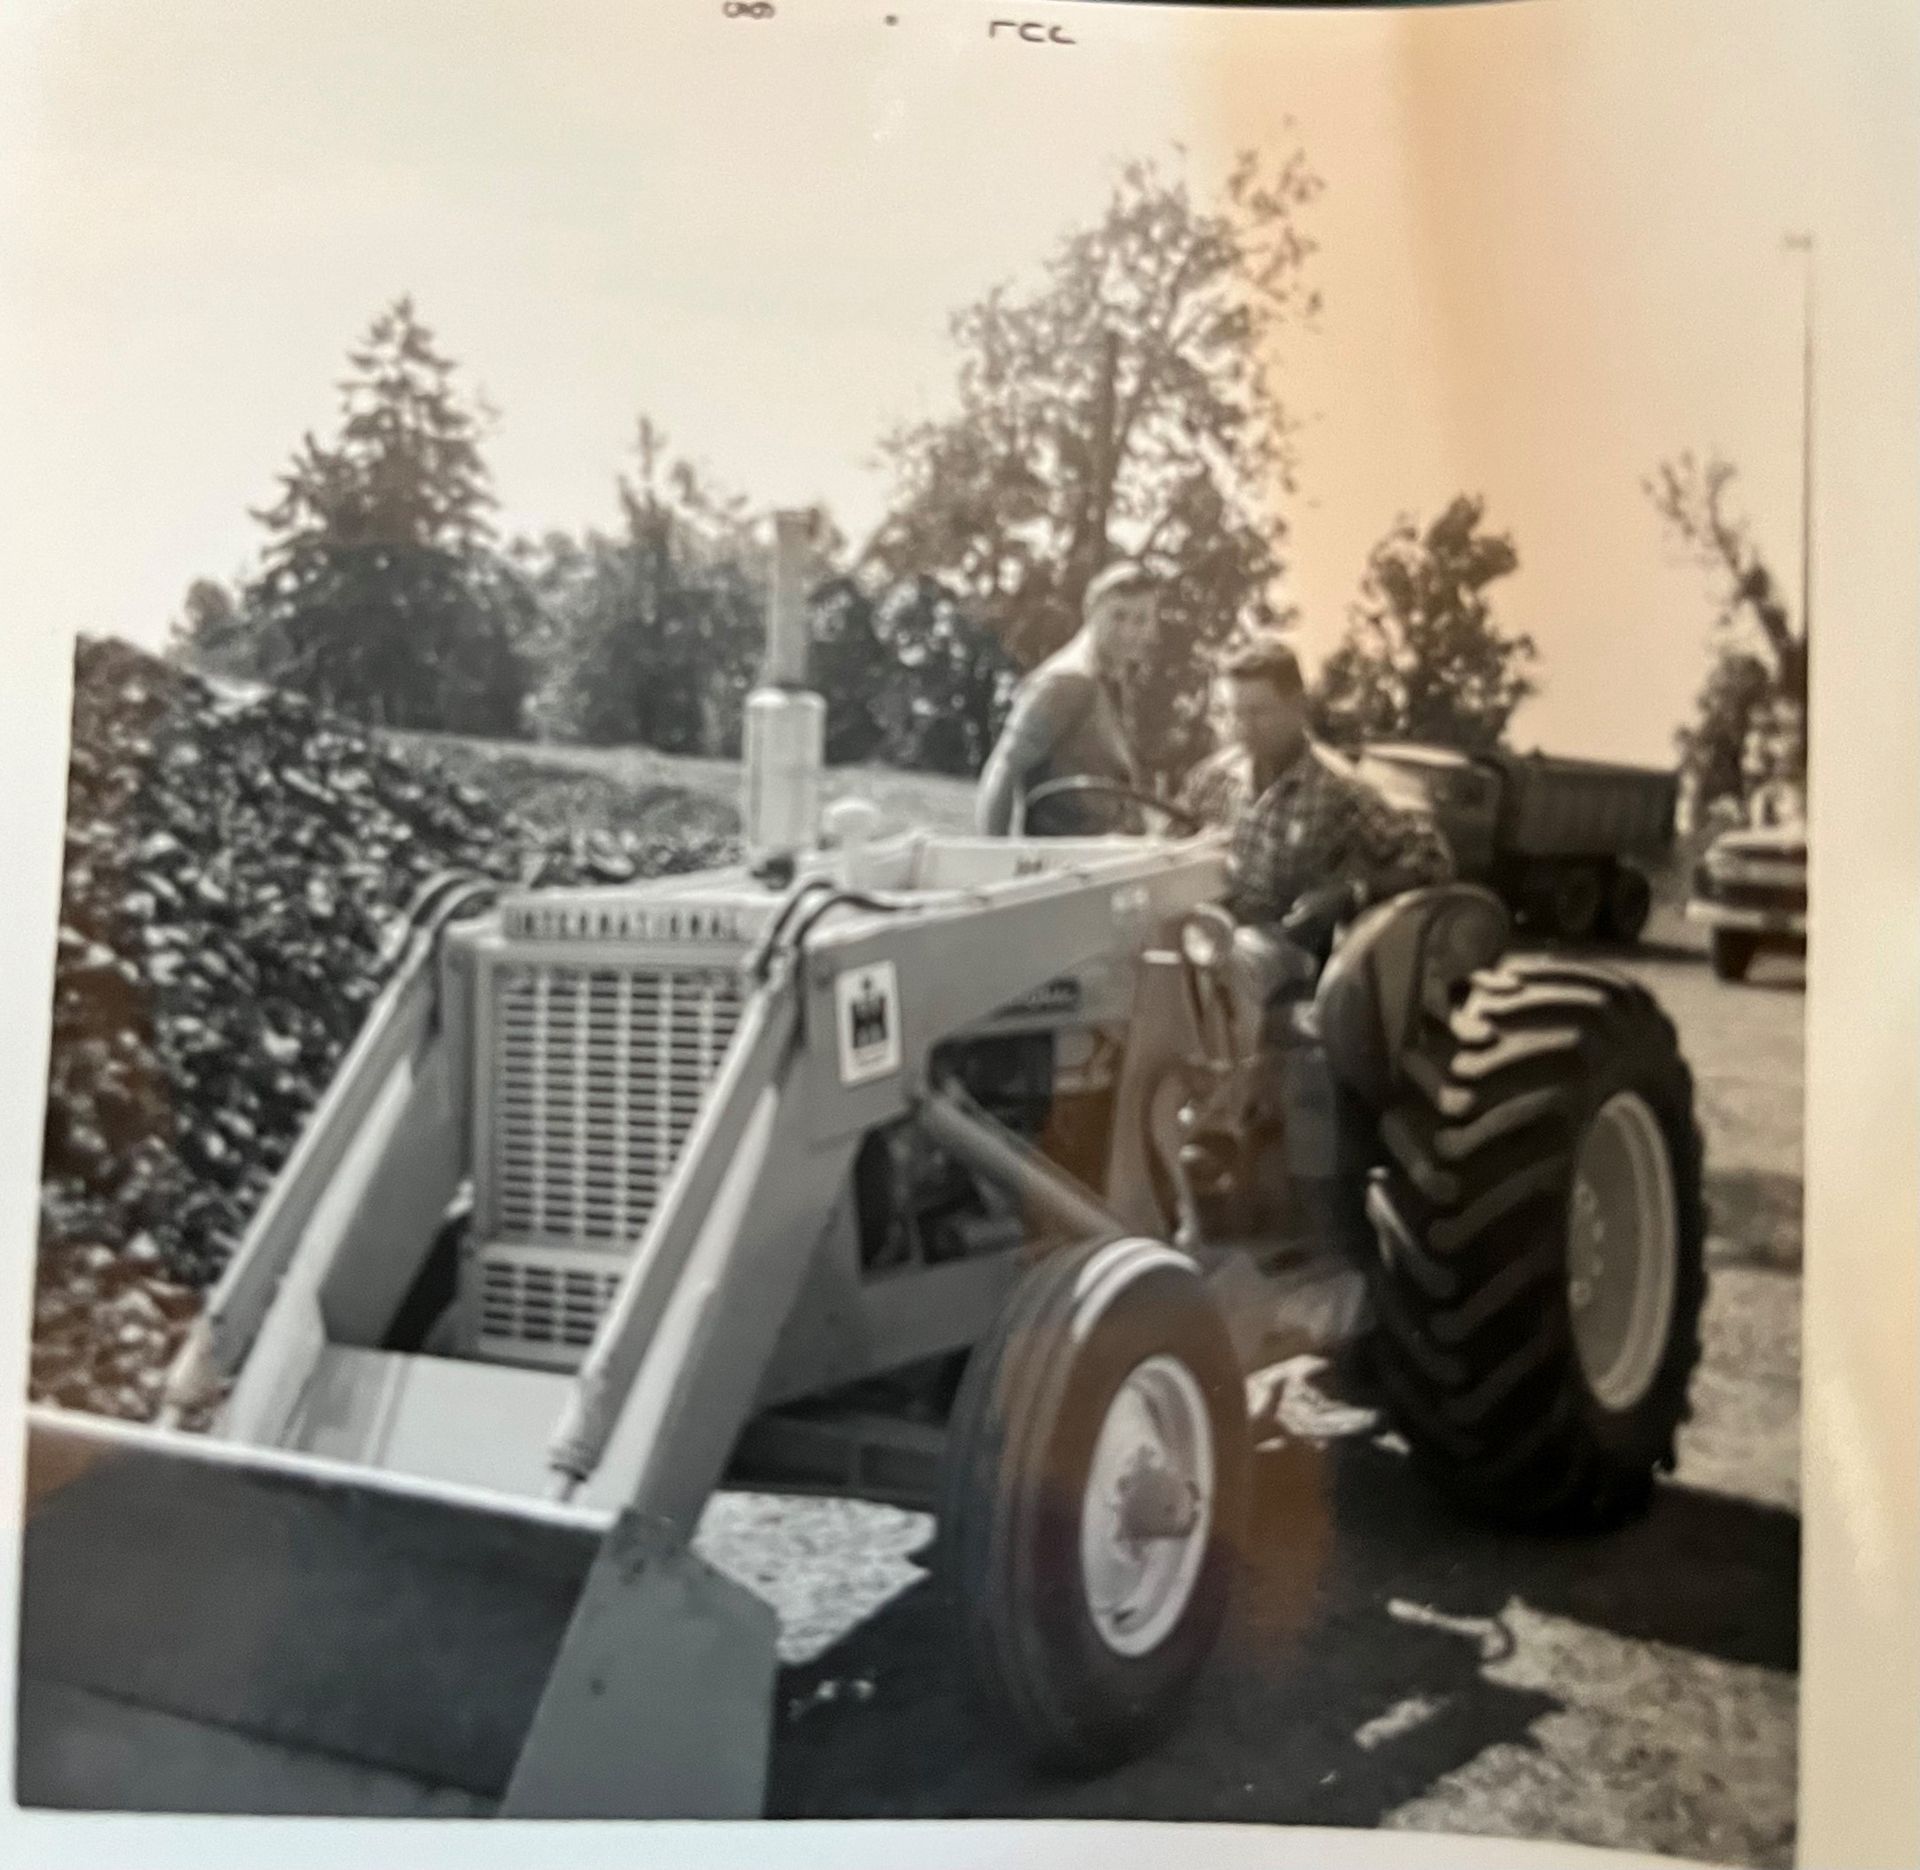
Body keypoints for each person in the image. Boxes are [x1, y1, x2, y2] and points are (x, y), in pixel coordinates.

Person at [975, 561, 1156, 837]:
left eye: (1141, 619)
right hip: (1065, 861)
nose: (1129, 632)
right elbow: (1004, 767)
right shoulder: (1067, 681)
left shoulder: (1109, 682)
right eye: (1117, 616)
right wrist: (995, 858)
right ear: (1091, 611)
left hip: (1103, 859)